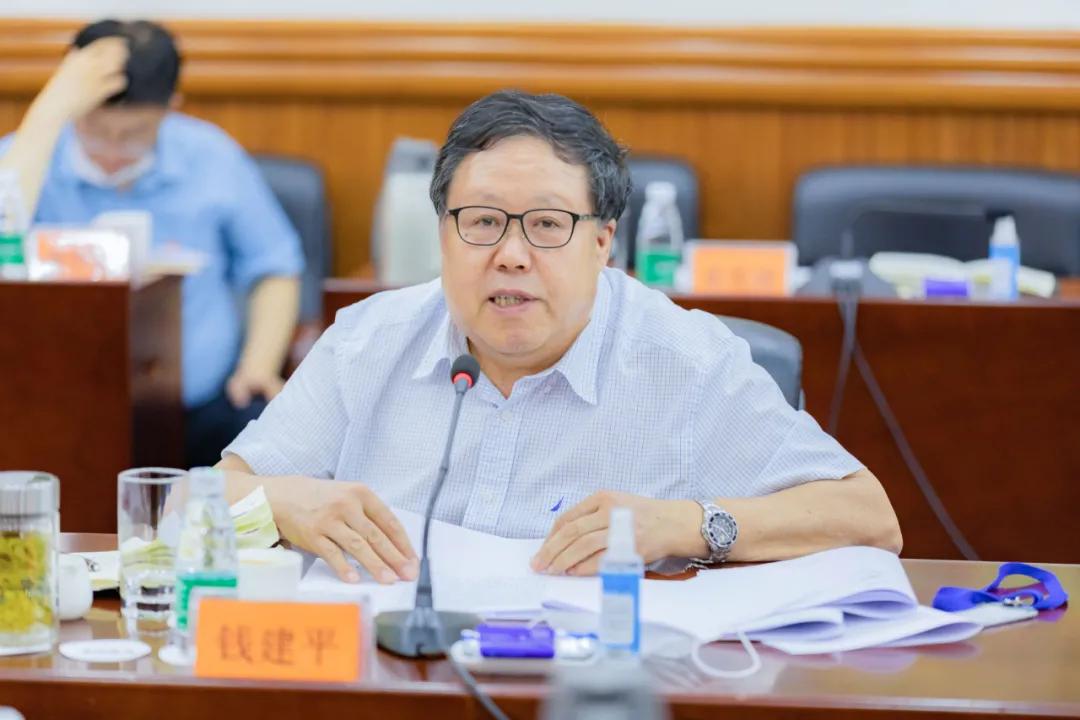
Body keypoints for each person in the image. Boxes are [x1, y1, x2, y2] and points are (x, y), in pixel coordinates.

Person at [218, 90, 902, 584]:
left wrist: (685, 525)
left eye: (547, 225)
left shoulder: (686, 361)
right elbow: (206, 498)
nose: (511, 255)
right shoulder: (368, 342)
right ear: (443, 234)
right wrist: (280, 504)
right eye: (482, 222)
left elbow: (869, 518)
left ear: (603, 243)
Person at [0, 20, 303, 468]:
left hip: (198, 408)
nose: (110, 150)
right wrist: (48, 113)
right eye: (93, 129)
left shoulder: (212, 156)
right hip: (54, 402)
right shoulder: (23, 158)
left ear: (169, 109)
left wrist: (258, 365)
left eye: (132, 134)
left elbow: (274, 266)